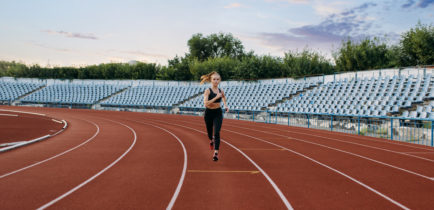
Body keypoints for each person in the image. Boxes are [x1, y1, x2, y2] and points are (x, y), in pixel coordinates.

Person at [200, 71, 229, 161]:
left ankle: (216, 153)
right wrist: (216, 97)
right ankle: (210, 140)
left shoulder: (221, 91)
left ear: (219, 80)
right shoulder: (207, 91)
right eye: (214, 79)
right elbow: (205, 103)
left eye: (217, 79)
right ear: (211, 80)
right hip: (208, 113)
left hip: (218, 113)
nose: (216, 81)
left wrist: (225, 105)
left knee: (216, 132)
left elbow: (223, 97)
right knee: (209, 133)